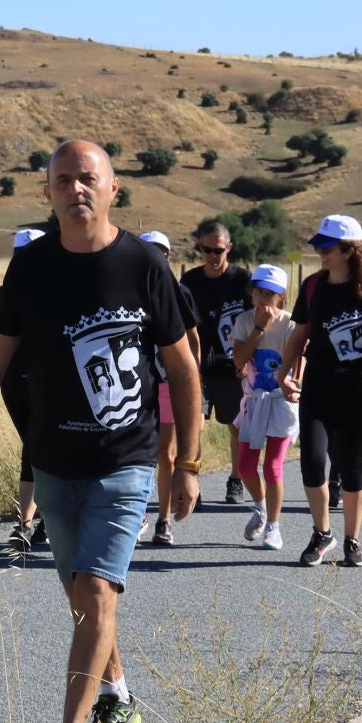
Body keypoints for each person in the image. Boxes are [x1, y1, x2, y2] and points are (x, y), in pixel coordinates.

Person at [0, 142, 199, 723]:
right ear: (49, 191)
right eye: (64, 180)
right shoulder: (29, 268)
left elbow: (183, 369)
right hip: (54, 464)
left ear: (112, 188)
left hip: (126, 462)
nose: (76, 189)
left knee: (97, 592)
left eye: (88, 178)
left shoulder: (144, 266)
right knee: (85, 602)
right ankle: (119, 694)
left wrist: (189, 463)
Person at [278, 215, 362, 568]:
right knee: (312, 462)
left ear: (349, 250)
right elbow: (299, 336)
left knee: (351, 468)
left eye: (326, 248)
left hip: (359, 390)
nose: (320, 253)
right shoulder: (313, 287)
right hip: (318, 388)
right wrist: (283, 374)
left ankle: (352, 540)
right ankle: (322, 532)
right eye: (318, 247)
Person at [180, 220, 253, 504]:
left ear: (229, 249)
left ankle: (235, 479)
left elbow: (254, 320)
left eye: (218, 250)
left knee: (235, 426)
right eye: (206, 249)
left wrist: (247, 360)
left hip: (232, 364)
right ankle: (192, 483)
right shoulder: (190, 281)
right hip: (198, 363)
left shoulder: (242, 280)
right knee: (194, 426)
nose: (212, 256)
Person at [232, 264, 299, 552]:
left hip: (281, 402)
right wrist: (258, 329)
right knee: (245, 467)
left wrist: (294, 384)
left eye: (270, 294)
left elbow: (299, 359)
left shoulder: (290, 324)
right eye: (259, 291)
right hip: (254, 401)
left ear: (281, 297)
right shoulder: (245, 321)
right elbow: (238, 360)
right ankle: (260, 508)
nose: (263, 298)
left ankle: (273, 526)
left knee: (272, 467)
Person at [142, 231, 202, 547]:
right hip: (136, 385)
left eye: (162, 253)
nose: (157, 258)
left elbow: (192, 338)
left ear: (170, 257)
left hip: (167, 381)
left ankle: (163, 521)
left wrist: (193, 378)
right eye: (150, 252)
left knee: (166, 452)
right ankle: (136, 513)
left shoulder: (180, 292)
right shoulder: (128, 288)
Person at [0, 228, 46, 555]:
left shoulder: (61, 291)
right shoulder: (6, 294)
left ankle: (27, 524)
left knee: (36, 446)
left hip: (50, 381)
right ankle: (34, 520)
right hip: (15, 379)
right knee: (33, 446)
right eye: (21, 254)